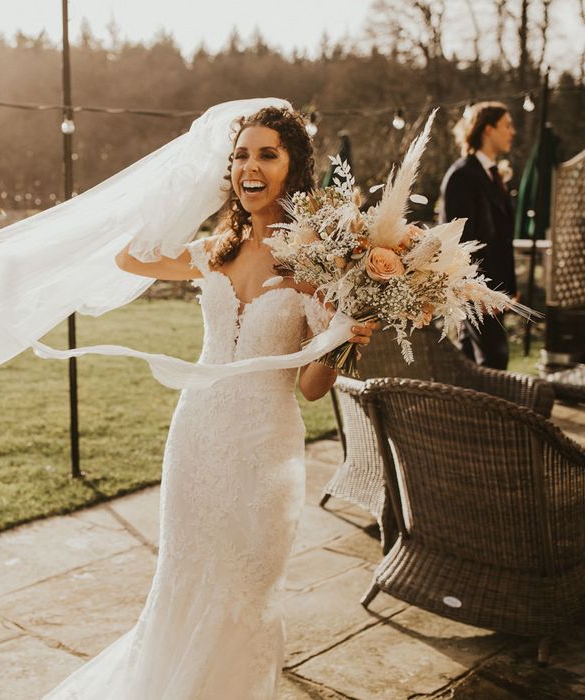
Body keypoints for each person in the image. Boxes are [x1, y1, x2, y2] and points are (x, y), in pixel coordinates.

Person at [41, 107, 378, 698]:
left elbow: (311, 386)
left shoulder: (318, 263)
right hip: (196, 436)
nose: (251, 166)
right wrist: (183, 187)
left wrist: (347, 335)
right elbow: (128, 257)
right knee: (185, 572)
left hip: (266, 448)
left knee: (247, 587)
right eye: (241, 155)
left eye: (267, 154)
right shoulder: (213, 250)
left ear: (294, 167)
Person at [439, 101, 519, 370]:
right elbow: (459, 242)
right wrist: (476, 292)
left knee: (473, 365)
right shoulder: (462, 176)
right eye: (507, 125)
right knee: (494, 362)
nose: (513, 131)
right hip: (476, 294)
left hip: (495, 291)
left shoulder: (493, 176)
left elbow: (502, 239)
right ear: (488, 129)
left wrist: (509, 287)